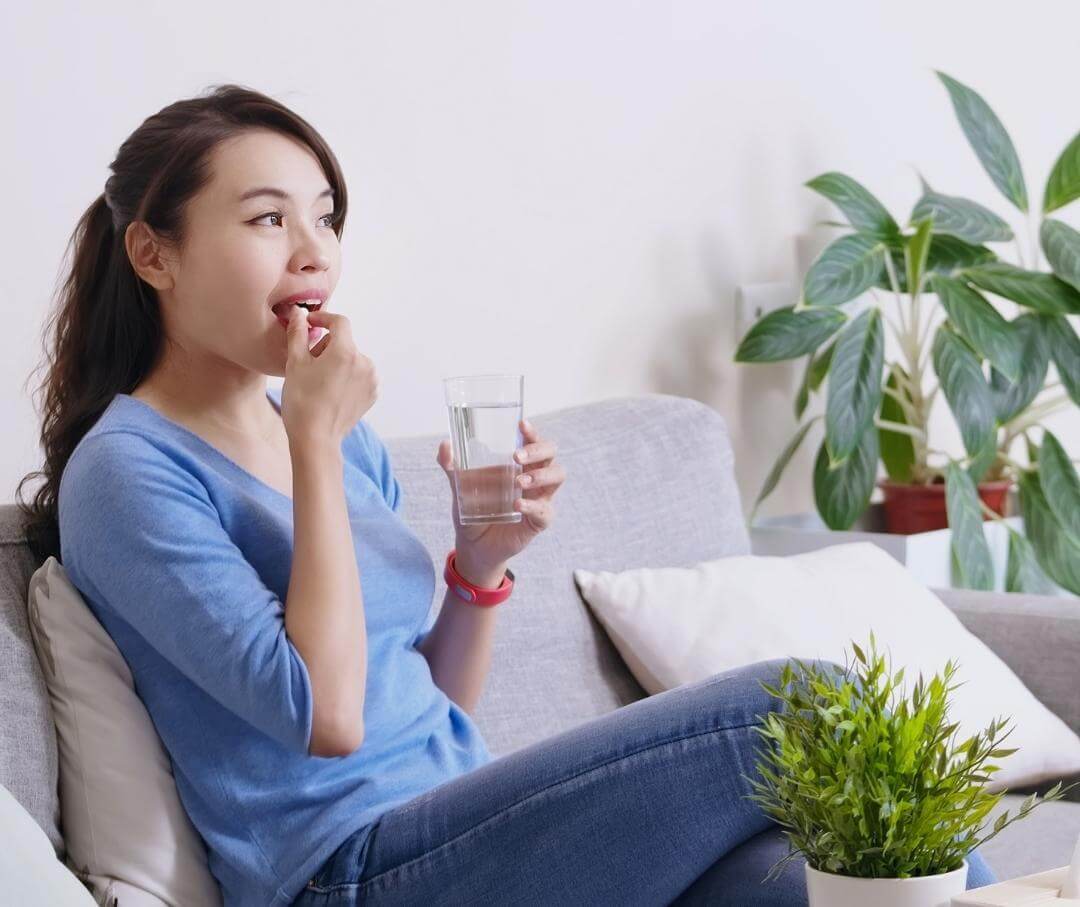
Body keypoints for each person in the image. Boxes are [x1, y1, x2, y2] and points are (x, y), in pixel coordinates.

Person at [17, 84, 996, 907]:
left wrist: (479, 565)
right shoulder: (131, 471)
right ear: (153, 254)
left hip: (464, 827)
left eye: (326, 217)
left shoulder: (333, 427)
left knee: (815, 877)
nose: (313, 250)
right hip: (347, 876)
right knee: (805, 704)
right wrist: (310, 439)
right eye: (269, 218)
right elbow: (327, 718)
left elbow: (426, 701)